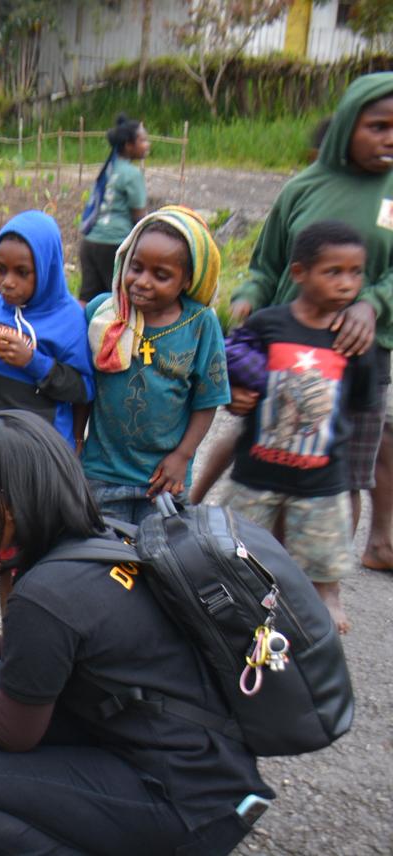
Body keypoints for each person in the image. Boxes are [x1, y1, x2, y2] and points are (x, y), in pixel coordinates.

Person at [0, 410, 269, 856]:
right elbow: (30, 659)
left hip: (184, 807)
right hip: (205, 770)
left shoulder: (48, 591)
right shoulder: (101, 543)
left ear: (8, 505)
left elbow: (11, 733)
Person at [191, 73, 393, 575]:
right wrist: (247, 299)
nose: (389, 138)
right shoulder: (303, 188)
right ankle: (260, 577)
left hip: (355, 356)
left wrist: (371, 304)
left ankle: (313, 580)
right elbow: (267, 265)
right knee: (265, 459)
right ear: (347, 125)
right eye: (378, 126)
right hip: (284, 350)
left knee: (339, 474)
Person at [223, 221, 381, 635]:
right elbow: (234, 369)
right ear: (299, 273)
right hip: (257, 470)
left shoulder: (354, 340)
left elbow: (359, 404)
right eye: (333, 272)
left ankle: (328, 595)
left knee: (322, 551)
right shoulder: (269, 324)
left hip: (320, 477)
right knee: (236, 546)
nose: (347, 283)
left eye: (356, 273)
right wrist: (235, 395)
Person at [0, 209, 94, 593]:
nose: (7, 282)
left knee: (41, 557)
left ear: (47, 269)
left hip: (39, 461)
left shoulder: (69, 319)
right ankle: (12, 626)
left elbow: (84, 388)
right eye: (0, 269)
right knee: (6, 560)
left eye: (21, 272)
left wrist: (34, 362)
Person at [82, 206, 230, 524]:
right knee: (102, 552)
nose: (142, 282)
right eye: (136, 267)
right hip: (101, 473)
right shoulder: (104, 315)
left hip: (164, 478)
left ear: (187, 279)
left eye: (161, 275)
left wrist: (183, 456)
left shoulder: (200, 325)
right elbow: (82, 385)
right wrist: (76, 443)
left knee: (163, 551)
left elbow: (208, 399)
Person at [78, 114, 150, 303]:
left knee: (87, 299)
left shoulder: (108, 169)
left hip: (90, 242)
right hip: (114, 245)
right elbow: (139, 218)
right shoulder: (132, 174)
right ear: (128, 145)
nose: (147, 144)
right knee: (120, 300)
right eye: (143, 140)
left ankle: (76, 323)